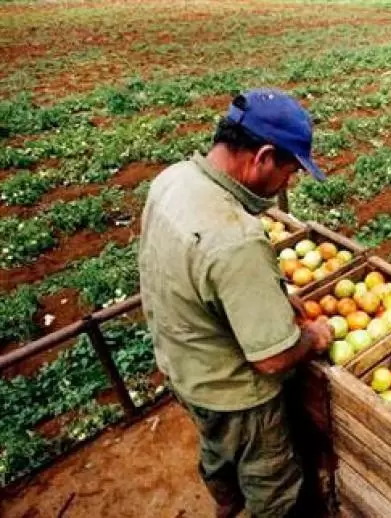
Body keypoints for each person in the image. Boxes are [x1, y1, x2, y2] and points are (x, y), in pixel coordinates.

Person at [138, 88, 333, 518]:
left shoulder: (172, 179)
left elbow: (193, 276)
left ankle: (227, 504)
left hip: (184, 365)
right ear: (263, 156)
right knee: (274, 487)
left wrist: (272, 296)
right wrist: (313, 337)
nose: (288, 182)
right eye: (290, 170)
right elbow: (273, 359)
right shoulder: (234, 237)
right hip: (236, 396)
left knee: (217, 452)